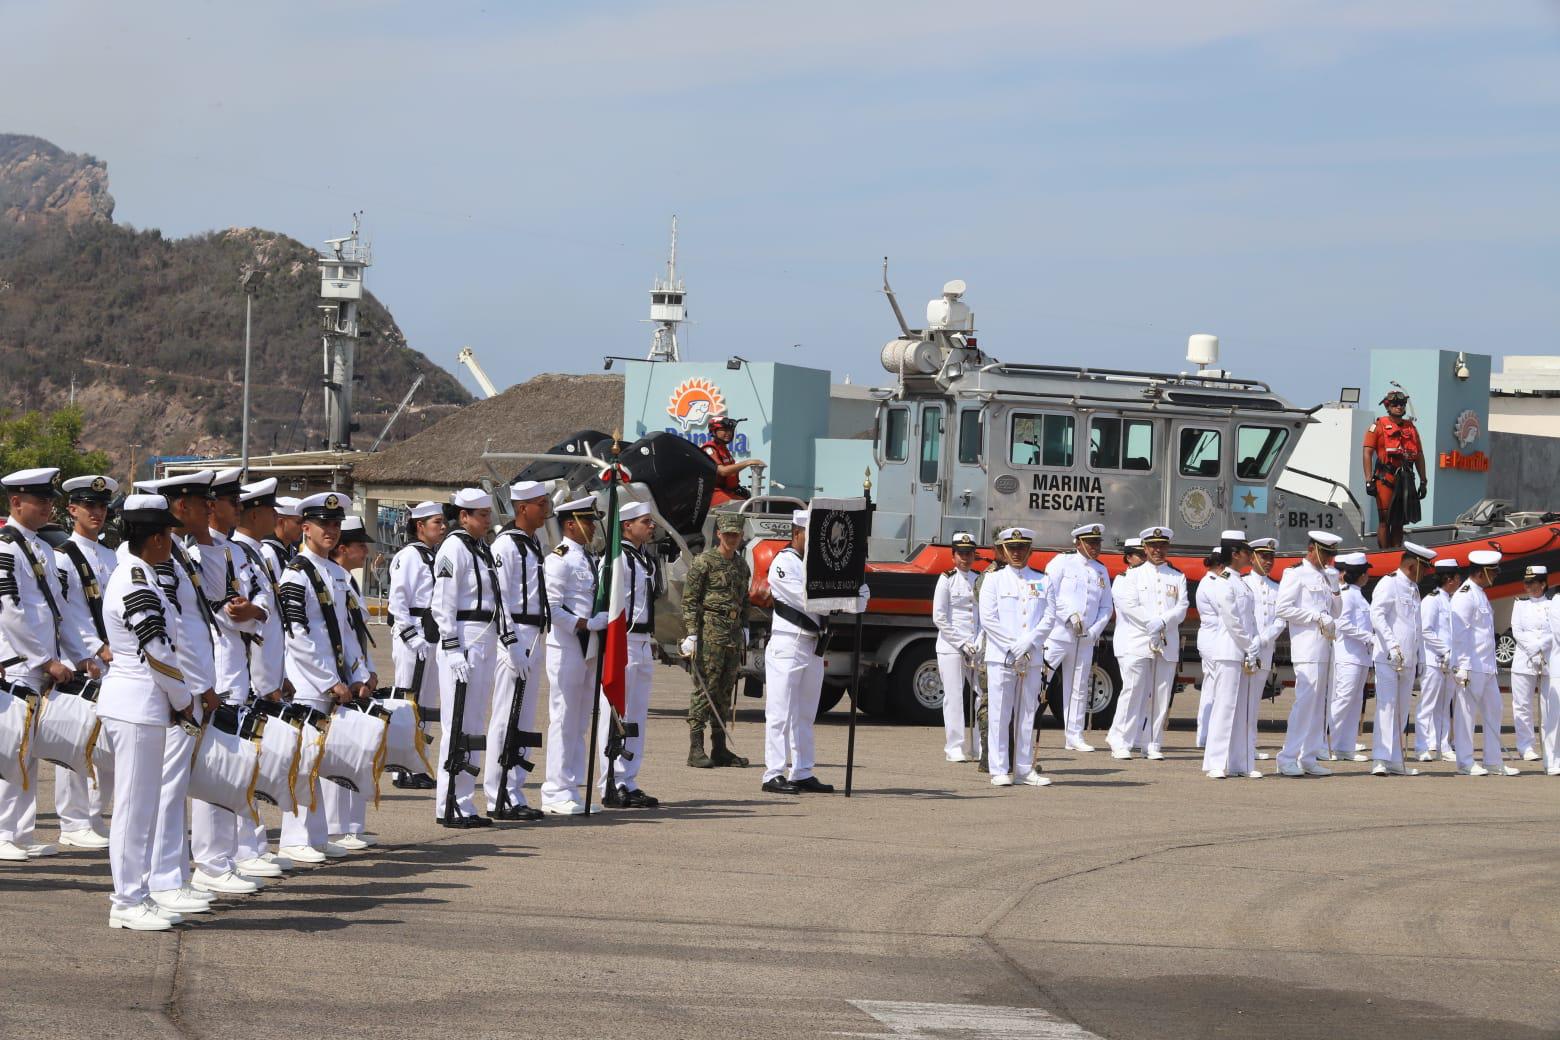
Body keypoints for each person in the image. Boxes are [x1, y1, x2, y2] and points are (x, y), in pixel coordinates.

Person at [96, 493, 194, 930]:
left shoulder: (143, 575)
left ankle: (139, 892)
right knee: (135, 807)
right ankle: (127, 900)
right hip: (137, 703)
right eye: (169, 533)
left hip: (144, 704)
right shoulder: (134, 579)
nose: (172, 541)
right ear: (156, 538)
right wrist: (182, 698)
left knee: (144, 805)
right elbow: (154, 649)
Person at [0, 467, 95, 863]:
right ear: (16, 501)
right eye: (40, 501)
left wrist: (80, 654)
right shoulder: (6, 548)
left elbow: (59, 612)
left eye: (49, 501)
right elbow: (10, 611)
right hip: (19, 662)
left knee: (28, 751)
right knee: (11, 751)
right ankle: (4, 832)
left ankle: (19, 833)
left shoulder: (37, 548)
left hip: (41, 665)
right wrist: (44, 660)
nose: (47, 508)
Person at [276, 492, 374, 859]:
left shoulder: (335, 574)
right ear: (305, 528)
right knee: (302, 761)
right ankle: (295, 839)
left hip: (335, 681)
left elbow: (348, 631)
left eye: (335, 524)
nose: (331, 530)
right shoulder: (295, 575)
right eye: (323, 524)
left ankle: (316, 835)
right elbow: (296, 634)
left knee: (320, 761)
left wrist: (360, 673)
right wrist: (326, 679)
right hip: (307, 683)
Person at [760, 509, 870, 794]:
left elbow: (847, 601)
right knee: (780, 712)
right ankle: (773, 773)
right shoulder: (784, 563)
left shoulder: (816, 566)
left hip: (813, 644)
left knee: (806, 713)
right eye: (811, 535)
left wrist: (857, 591)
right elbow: (809, 599)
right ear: (797, 533)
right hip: (788, 642)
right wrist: (842, 596)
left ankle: (802, 771)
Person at [433, 488, 510, 825]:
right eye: (481, 515)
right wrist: (451, 648)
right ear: (463, 516)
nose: (487, 520)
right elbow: (443, 602)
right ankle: (449, 802)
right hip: (463, 638)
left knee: (474, 723)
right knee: (457, 724)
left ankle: (465, 799)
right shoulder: (454, 548)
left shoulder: (481, 550)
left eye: (488, 514)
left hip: (483, 639)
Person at [52, 474, 119, 850]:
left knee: (107, 744)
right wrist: (90, 650)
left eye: (102, 506)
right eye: (88, 506)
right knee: (77, 743)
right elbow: (65, 612)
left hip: (115, 659)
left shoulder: (112, 555)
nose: (97, 512)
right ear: (71, 510)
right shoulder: (63, 557)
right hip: (84, 658)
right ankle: (73, 820)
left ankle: (95, 817)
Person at [231, 478, 292, 875]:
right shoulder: (239, 553)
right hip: (246, 677)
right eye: (271, 510)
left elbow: (270, 621)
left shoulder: (256, 554)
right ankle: (243, 849)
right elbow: (239, 616)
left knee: (252, 766)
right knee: (239, 766)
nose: (276, 516)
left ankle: (252, 845)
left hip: (263, 675)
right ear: (255, 513)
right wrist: (265, 679)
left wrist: (278, 674)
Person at [485, 482, 551, 819]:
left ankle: (514, 788)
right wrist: (510, 644)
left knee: (523, 715)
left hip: (534, 633)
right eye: (542, 503)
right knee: (504, 714)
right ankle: (497, 791)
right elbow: (501, 599)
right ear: (523, 507)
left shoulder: (534, 543)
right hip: (515, 636)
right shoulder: (506, 546)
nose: (547, 508)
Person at [541, 496, 607, 815]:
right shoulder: (559, 558)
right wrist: (583, 623)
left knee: (580, 718)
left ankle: (571, 787)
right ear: (571, 524)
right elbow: (552, 607)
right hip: (567, 644)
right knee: (564, 717)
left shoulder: (586, 557)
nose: (594, 526)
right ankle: (554, 790)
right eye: (588, 521)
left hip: (588, 643)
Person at [597, 500, 661, 808]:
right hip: (622, 641)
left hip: (643, 640)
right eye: (645, 521)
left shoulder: (645, 559)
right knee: (616, 714)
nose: (651, 527)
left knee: (636, 716)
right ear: (627, 526)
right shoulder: (618, 558)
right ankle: (610, 779)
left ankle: (629, 778)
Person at [978, 527, 1054, 788]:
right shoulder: (993, 580)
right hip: (1002, 657)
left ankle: (1023, 767)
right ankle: (999, 768)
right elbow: (988, 618)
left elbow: (1049, 617)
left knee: (1026, 713)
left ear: (1030, 550)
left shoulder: (1042, 580)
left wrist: (1028, 643)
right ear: (1003, 551)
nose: (1017, 553)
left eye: (1022, 548)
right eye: (1012, 548)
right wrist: (1014, 646)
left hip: (1030, 656)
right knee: (999, 714)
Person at [1107, 526, 1187, 761]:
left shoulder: (1177, 576)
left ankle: (1151, 741)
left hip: (1166, 640)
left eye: (1162, 546)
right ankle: (1121, 740)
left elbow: (1182, 608)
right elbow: (1128, 606)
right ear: (1145, 548)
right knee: (1133, 691)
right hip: (1138, 640)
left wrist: (1162, 621)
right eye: (1153, 546)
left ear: (1168, 548)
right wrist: (1150, 623)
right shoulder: (1130, 575)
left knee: (1161, 694)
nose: (1158, 550)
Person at [682, 512, 751, 769]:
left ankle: (719, 748)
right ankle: (695, 748)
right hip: (709, 632)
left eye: (736, 534)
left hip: (732, 634)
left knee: (725, 691)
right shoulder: (704, 562)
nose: (732, 539)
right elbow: (690, 601)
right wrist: (691, 633)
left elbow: (745, 600)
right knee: (705, 690)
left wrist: (745, 627)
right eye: (728, 534)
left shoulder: (741, 566)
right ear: (719, 534)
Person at [327, 514, 379, 849]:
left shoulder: (349, 581)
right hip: (337, 679)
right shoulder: (332, 580)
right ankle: (334, 827)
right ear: (342, 548)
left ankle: (350, 824)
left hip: (354, 674)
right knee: (336, 753)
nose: (364, 551)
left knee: (355, 750)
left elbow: (358, 635)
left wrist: (367, 671)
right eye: (360, 545)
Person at [386, 501, 445, 790]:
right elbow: (398, 599)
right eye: (437, 522)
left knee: (425, 705)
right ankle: (401, 767)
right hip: (414, 635)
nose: (443, 527)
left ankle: (418, 763)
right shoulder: (409, 555)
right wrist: (410, 635)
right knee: (407, 702)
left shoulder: (432, 556)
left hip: (431, 634)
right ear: (419, 526)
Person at [1275, 531, 1343, 777]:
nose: (1329, 559)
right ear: (1312, 549)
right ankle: (1287, 757)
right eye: (1325, 553)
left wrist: (1335, 588)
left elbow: (1336, 612)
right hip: (1307, 647)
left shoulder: (1326, 576)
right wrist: (1314, 617)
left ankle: (1309, 756)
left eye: (1332, 554)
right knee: (1305, 704)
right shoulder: (1295, 573)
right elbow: (1283, 608)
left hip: (1325, 647)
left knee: (1319, 706)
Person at [1043, 523, 1112, 752]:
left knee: (1079, 686)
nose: (1095, 547)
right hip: (1058, 633)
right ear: (1078, 542)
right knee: (1040, 681)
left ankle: (1074, 735)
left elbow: (1106, 607)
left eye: (1098, 543)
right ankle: (1021, 726)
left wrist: (1094, 631)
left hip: (1085, 637)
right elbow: (1048, 592)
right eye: (1091, 543)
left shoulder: (1101, 570)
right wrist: (1069, 616)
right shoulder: (1062, 562)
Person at [1366, 542, 1434, 776]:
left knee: (1402, 709)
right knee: (1387, 707)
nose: (1425, 573)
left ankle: (1395, 758)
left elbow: (1417, 627)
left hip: (1408, 659)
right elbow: (1377, 615)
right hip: (1388, 657)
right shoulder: (1390, 583)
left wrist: (1421, 657)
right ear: (1412, 565)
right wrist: (1392, 644)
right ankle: (1380, 758)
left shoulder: (1414, 589)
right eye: (1423, 568)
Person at [1450, 550, 1520, 776]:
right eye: (1493, 571)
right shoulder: (1465, 595)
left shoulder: (1480, 593)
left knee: (1495, 710)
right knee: (1466, 714)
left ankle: (1492, 760)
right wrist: (1461, 665)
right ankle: (1465, 762)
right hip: (1471, 666)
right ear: (1482, 573)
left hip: (1486, 666)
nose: (1496, 575)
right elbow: (1460, 634)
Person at [1201, 532, 1259, 779]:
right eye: (1247, 552)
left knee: (1242, 710)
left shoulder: (1242, 582)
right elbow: (1232, 619)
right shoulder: (1223, 581)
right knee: (1224, 707)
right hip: (1229, 650)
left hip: (1244, 651)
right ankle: (1215, 763)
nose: (1250, 556)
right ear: (1235, 554)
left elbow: (1250, 619)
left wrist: (1254, 645)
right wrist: (1249, 644)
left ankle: (1240, 763)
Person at [932, 532, 980, 763]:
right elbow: (939, 618)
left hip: (976, 646)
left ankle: (982, 745)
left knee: (984, 695)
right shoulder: (946, 579)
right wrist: (961, 643)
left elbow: (983, 615)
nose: (965, 558)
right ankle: (955, 745)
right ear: (953, 556)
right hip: (951, 647)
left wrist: (978, 642)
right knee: (954, 696)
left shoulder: (979, 579)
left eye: (969, 553)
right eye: (961, 553)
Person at [1362, 389, 1427, 549]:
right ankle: (1384, 554)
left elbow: (1419, 455)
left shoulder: (1411, 428)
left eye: (1402, 404)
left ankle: (1395, 554)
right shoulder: (1377, 426)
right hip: (1385, 478)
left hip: (1406, 479)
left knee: (1399, 522)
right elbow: (1367, 452)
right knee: (1385, 520)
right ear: (1388, 406)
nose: (1399, 407)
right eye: (1395, 404)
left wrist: (1423, 481)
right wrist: (1368, 480)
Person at [1326, 552, 1374, 763]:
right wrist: (1369, 637)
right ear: (1360, 575)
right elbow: (1342, 624)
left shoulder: (1357, 594)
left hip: (1360, 656)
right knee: (1343, 701)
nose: (1367, 577)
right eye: (1365, 573)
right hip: (1348, 656)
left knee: (1355, 703)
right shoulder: (1348, 595)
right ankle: (1327, 744)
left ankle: (1344, 747)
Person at [1243, 538, 1286, 762]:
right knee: (1238, 700)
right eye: (1263, 557)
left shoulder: (1277, 588)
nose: (1268, 561)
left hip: (1264, 650)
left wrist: (1262, 639)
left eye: (1271, 557)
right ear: (1252, 558)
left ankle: (1249, 745)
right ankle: (1236, 746)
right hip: (1242, 650)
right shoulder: (1242, 583)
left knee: (1253, 701)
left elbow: (1280, 620)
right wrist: (1248, 642)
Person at [1417, 559, 1461, 762]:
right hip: (1434, 660)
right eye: (1457, 577)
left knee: (1444, 706)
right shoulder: (1432, 600)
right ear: (1449, 579)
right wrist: (1445, 650)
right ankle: (1422, 745)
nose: (1460, 580)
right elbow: (1426, 630)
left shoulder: (1452, 600)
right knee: (1428, 704)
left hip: (1449, 661)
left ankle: (1442, 744)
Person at [1509, 565, 1550, 763]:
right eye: (1527, 583)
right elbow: (1517, 631)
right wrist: (1533, 649)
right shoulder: (1520, 604)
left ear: (1543, 584)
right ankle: (1525, 746)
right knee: (1522, 705)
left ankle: (1550, 746)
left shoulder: (1554, 605)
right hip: (1524, 659)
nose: (1529, 587)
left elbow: (1555, 632)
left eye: (1533, 583)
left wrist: (1540, 646)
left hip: (1548, 658)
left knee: (1549, 706)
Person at [1193, 551, 1225, 750]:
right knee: (1218, 687)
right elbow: (1226, 609)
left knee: (1210, 687)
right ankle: (1210, 735)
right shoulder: (1212, 583)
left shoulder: (1212, 581)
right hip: (1214, 640)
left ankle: (1205, 734)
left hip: (1212, 638)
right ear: (1221, 565)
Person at [702, 416, 764, 503]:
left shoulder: (724, 449)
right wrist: (748, 462)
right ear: (713, 431)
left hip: (726, 491)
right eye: (724, 430)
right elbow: (723, 471)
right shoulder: (709, 449)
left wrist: (737, 489)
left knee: (751, 504)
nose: (728, 433)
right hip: (712, 493)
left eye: (730, 430)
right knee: (740, 507)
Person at [271, 497, 302, 564]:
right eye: (298, 522)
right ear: (281, 522)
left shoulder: (293, 549)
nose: (303, 527)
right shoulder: (268, 552)